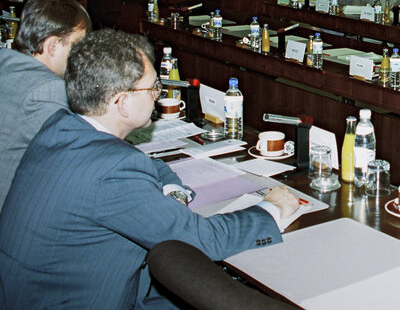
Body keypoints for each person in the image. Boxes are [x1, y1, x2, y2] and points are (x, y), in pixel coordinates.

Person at [0, 29, 299, 309]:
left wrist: (171, 190)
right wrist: (270, 209)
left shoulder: (60, 127)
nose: (158, 94)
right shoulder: (113, 169)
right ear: (122, 102)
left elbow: (144, 164)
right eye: (153, 87)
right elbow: (203, 240)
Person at [0, 0, 90, 210]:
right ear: (52, 46)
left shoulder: (5, 60)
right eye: (77, 47)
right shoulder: (49, 90)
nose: (81, 57)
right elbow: (82, 158)